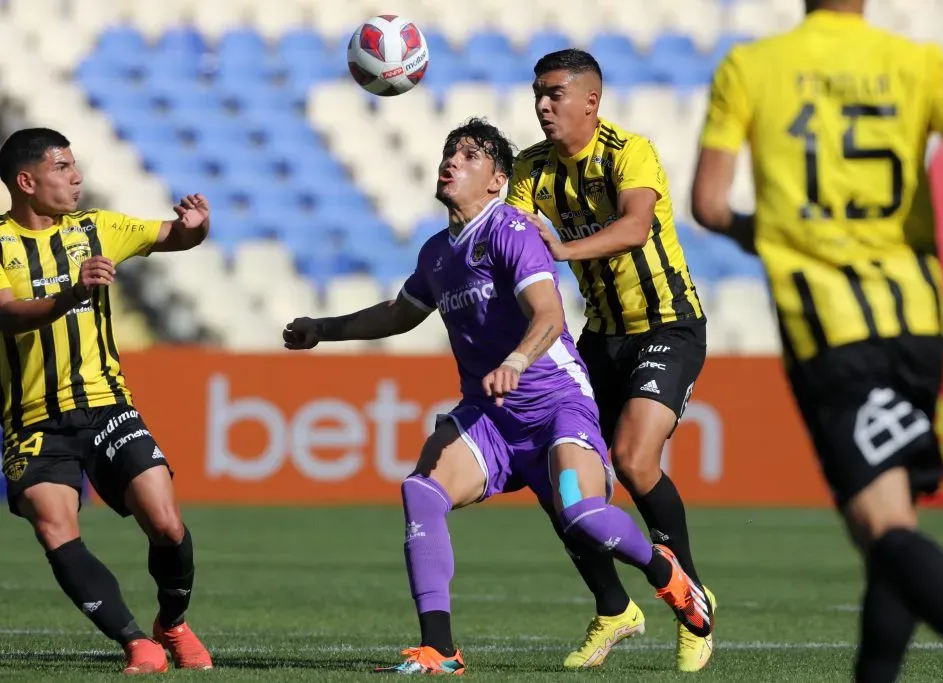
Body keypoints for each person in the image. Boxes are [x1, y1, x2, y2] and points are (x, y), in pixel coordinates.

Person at [283, 117, 702, 675]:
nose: (451, 161)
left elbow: (550, 316)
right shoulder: (437, 252)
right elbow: (398, 314)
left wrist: (516, 360)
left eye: (469, 155)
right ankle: (440, 650)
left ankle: (663, 571)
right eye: (448, 152)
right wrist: (322, 329)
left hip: (557, 409)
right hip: (490, 418)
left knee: (583, 517)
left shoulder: (511, 231)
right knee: (421, 490)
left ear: (496, 179)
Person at [690, 2, 943, 681]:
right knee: (889, 521)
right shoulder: (921, 63)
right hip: (918, 324)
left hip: (831, 327)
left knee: (884, 528)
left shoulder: (752, 66)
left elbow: (710, 204)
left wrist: (775, 235)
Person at [505, 49, 714, 671]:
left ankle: (690, 599)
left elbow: (634, 228)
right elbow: (509, 243)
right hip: (598, 337)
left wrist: (562, 250)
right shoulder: (529, 168)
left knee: (631, 458)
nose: (543, 105)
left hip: (667, 325)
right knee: (562, 477)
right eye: (537, 94)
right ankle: (613, 607)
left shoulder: (629, 150)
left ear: (590, 102)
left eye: (554, 94)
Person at [0, 128, 213, 675]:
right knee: (55, 527)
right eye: (63, 167)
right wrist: (71, 291)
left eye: (75, 166)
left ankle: (173, 623)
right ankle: (135, 643)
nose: (76, 177)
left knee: (166, 524)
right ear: (27, 181)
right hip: (32, 422)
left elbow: (174, 236)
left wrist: (196, 227)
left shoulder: (96, 229)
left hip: (105, 405)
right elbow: (5, 313)